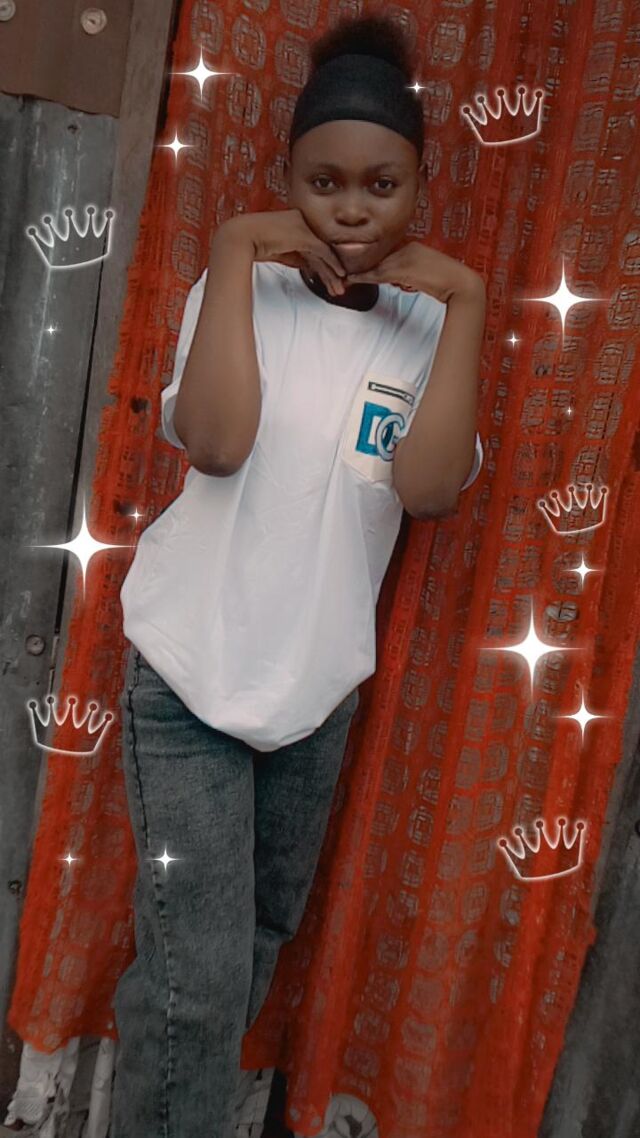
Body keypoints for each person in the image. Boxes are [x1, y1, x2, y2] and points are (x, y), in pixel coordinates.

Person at [110, 12, 485, 1138]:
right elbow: (218, 443)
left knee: (252, 951)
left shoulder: (424, 330)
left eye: (382, 185)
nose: (352, 209)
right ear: (287, 184)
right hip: (191, 681)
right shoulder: (235, 290)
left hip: (314, 701)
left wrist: (466, 304)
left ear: (419, 191)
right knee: (194, 987)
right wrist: (234, 247)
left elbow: (430, 489)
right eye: (324, 182)